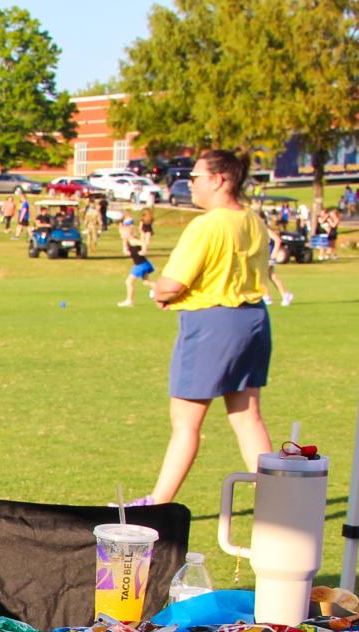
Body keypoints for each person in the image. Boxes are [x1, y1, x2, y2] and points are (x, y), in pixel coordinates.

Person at [143, 148, 275, 506]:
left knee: (185, 424)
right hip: (253, 320)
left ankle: (157, 504)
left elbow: (172, 282)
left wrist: (160, 291)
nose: (191, 185)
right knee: (248, 418)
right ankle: (276, 501)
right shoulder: (253, 219)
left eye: (196, 178)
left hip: (213, 324)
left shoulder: (208, 224)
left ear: (218, 180)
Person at [118, 217, 155, 307]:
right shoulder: (128, 241)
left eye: (123, 233)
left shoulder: (133, 240)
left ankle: (129, 301)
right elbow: (126, 247)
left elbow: (143, 243)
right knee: (146, 282)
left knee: (129, 282)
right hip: (143, 263)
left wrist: (144, 251)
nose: (122, 235)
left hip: (140, 265)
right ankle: (160, 290)